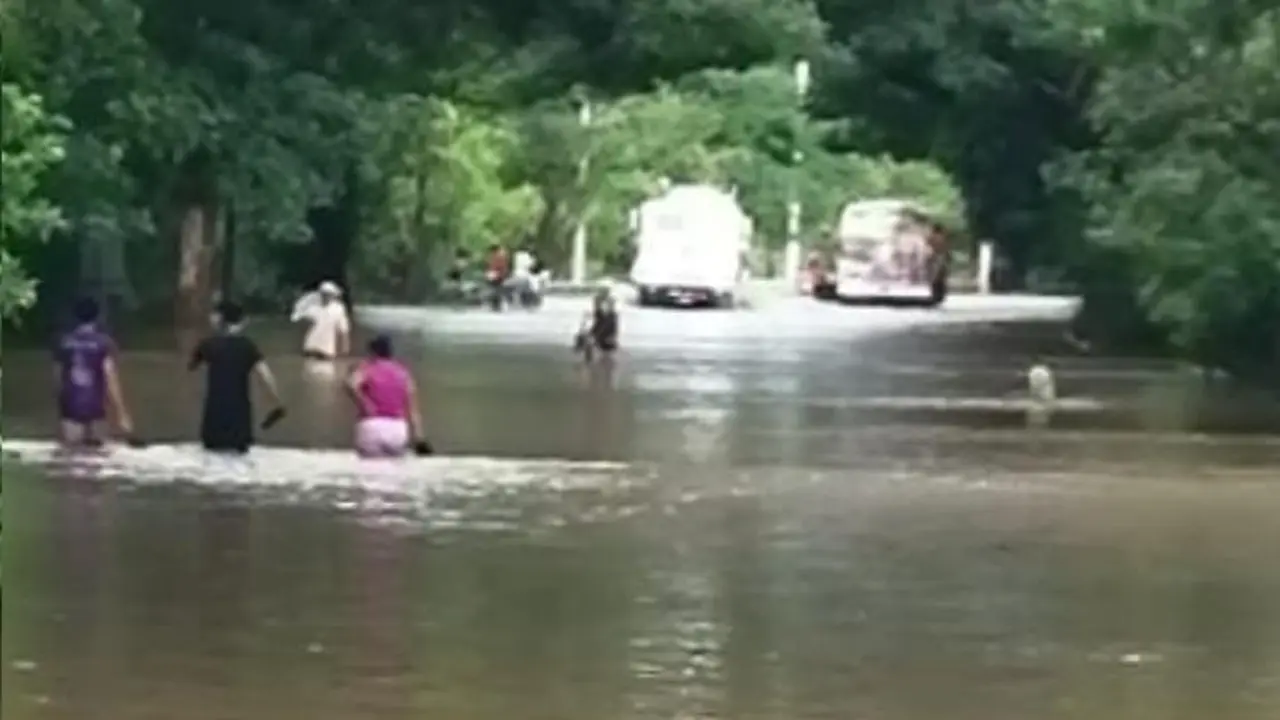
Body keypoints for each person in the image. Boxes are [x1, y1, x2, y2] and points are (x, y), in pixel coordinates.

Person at [189, 300, 286, 453]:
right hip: (240, 420)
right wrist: (277, 404)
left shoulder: (207, 345)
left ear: (220, 319)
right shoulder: (248, 346)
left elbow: (192, 368)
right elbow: (266, 376)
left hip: (213, 419)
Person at [53, 296, 134, 446]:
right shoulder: (103, 342)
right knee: (97, 458)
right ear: (97, 316)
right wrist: (121, 413)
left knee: (71, 457)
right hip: (96, 407)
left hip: (71, 409)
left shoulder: (63, 343)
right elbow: (110, 379)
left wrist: (60, 411)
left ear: (75, 316)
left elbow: (58, 380)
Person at [346, 334, 431, 457]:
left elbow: (351, 384)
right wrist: (419, 438)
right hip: (398, 429)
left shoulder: (368, 368)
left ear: (373, 352)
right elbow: (413, 411)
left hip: (372, 426)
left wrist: (364, 404)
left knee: (369, 470)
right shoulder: (403, 373)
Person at [299, 280, 350, 360]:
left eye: (328, 294)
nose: (325, 296)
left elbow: (343, 329)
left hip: (327, 350)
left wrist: (345, 346)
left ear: (333, 295)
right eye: (323, 294)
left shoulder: (338, 308)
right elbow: (303, 324)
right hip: (310, 347)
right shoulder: (312, 307)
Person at [574, 287, 619, 363]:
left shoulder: (610, 316)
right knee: (586, 339)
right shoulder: (601, 314)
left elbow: (610, 330)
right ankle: (587, 360)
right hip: (601, 336)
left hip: (605, 340)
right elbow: (594, 327)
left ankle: (587, 360)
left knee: (588, 341)